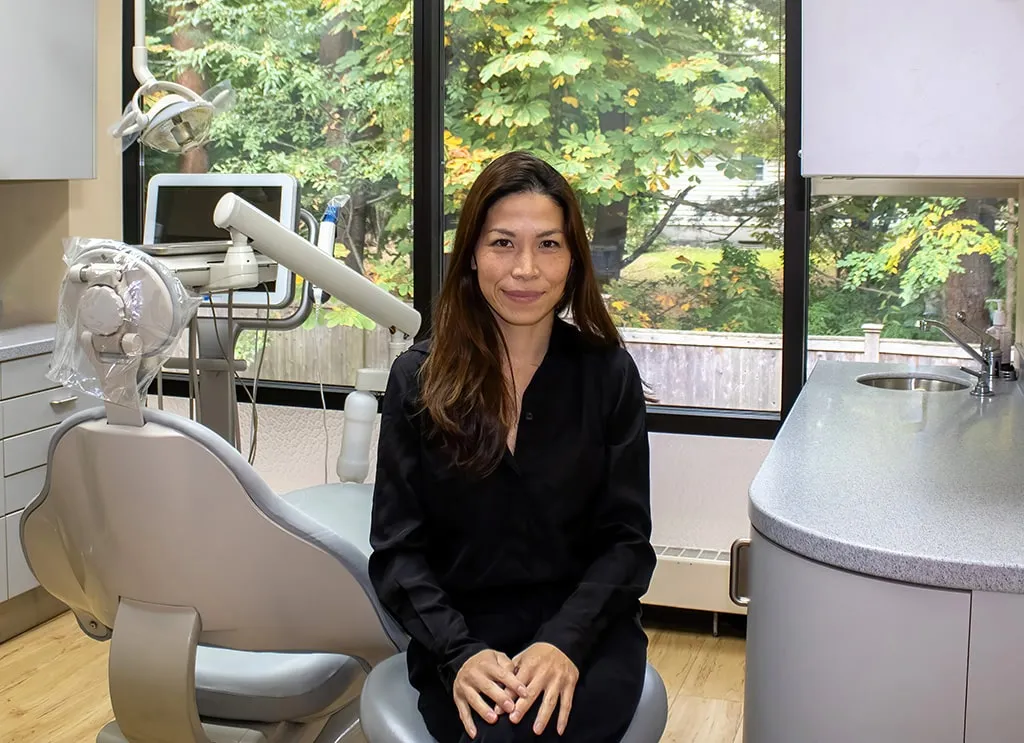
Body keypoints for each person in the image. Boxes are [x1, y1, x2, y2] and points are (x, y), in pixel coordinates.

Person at [368, 150, 656, 743]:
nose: (525, 268)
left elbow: (626, 543)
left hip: (585, 626)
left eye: (548, 244)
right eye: (503, 243)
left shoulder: (608, 375)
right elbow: (397, 551)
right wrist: (459, 653)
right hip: (463, 632)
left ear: (574, 258)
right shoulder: (417, 379)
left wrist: (563, 642)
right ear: (472, 254)